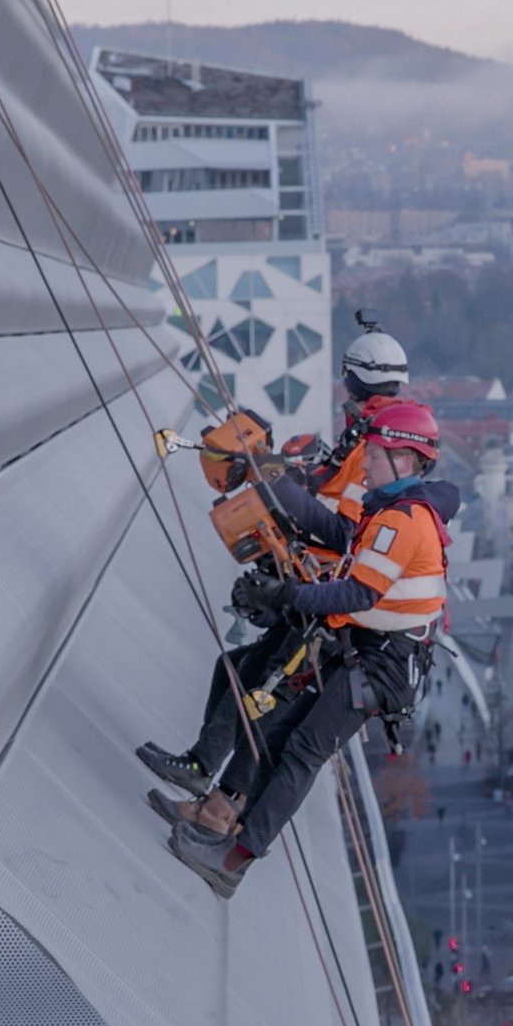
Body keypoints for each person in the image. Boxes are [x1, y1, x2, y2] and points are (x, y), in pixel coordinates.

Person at [158, 402, 458, 898]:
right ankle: (226, 840)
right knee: (276, 735)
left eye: (377, 457)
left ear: (406, 462)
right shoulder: (390, 512)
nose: (365, 465)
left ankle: (230, 862)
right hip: (370, 650)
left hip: (381, 663)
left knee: (301, 751)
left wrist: (286, 595)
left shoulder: (400, 522)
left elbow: (357, 593)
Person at [133, 329, 411, 800]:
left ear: (355, 379)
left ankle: (212, 784)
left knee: (257, 688)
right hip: (316, 589)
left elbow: (345, 533)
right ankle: (204, 771)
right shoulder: (368, 436)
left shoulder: (375, 447)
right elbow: (329, 489)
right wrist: (285, 471)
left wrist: (278, 487)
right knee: (235, 669)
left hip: (323, 596)